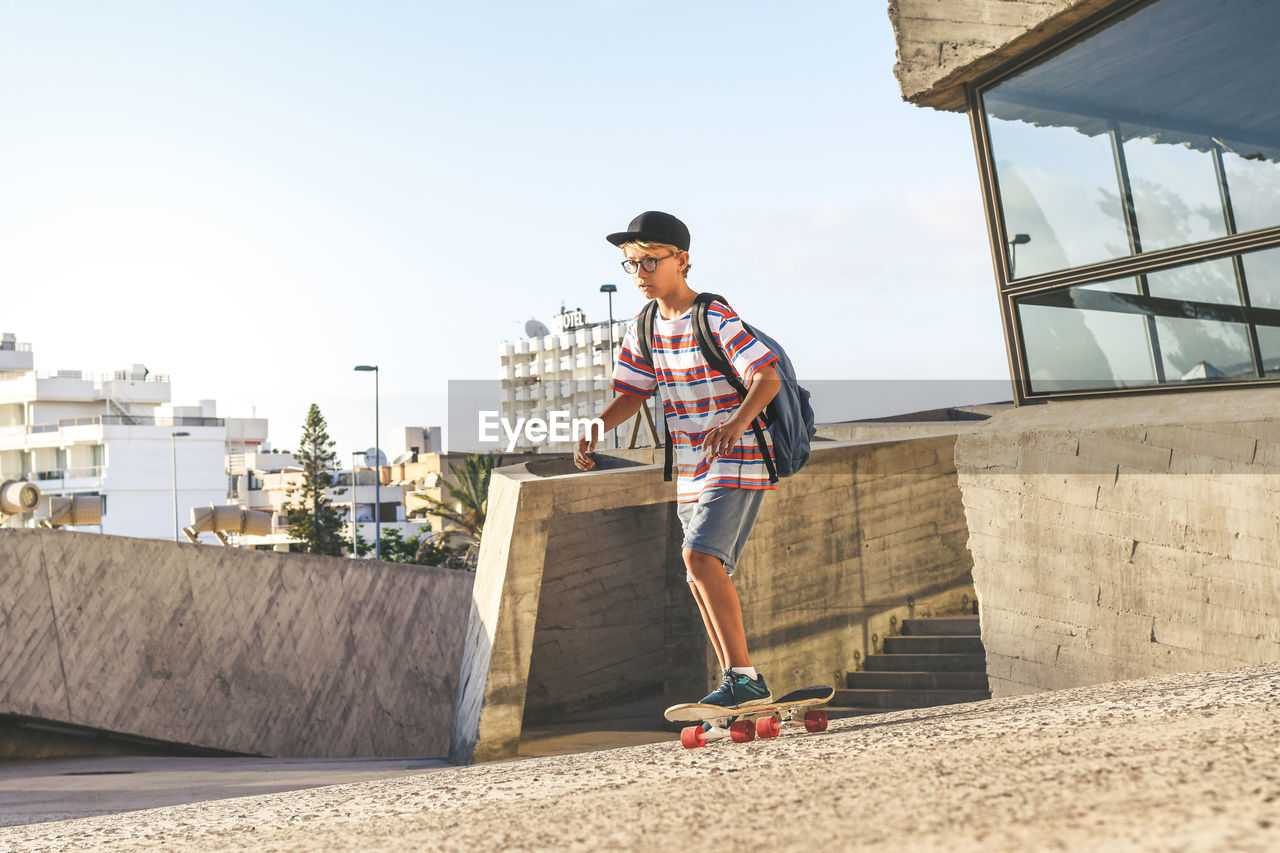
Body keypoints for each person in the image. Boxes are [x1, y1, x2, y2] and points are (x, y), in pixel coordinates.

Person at [575, 210, 781, 710]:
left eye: (650, 261)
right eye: (633, 265)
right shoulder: (643, 326)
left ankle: (745, 677)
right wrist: (596, 428)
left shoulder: (713, 316)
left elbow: (766, 376)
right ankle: (740, 680)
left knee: (699, 557)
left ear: (682, 260)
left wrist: (734, 424)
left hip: (740, 454)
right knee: (699, 572)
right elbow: (632, 393)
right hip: (690, 466)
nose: (642, 273)